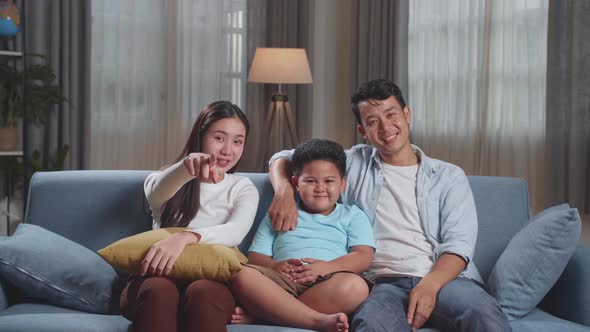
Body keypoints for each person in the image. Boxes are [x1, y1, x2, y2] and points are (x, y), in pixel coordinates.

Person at [267, 80, 511, 332]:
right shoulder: (353, 163)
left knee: (484, 316)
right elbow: (283, 157)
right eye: (372, 122)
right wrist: (284, 191)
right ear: (362, 130)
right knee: (372, 326)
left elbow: (459, 245)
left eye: (391, 114)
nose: (385, 128)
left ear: (407, 114)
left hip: (446, 280)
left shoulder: (448, 176)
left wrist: (430, 285)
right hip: (381, 284)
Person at [120, 101, 259, 332]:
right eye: (219, 138)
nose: (227, 150)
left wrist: (186, 237)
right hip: (154, 281)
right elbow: (158, 190)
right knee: (160, 291)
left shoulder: (243, 187)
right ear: (200, 136)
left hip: (212, 284)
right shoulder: (163, 179)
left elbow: (236, 230)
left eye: (237, 141)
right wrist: (186, 168)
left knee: (203, 292)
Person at [228, 139, 375, 332]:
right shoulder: (281, 212)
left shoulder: (352, 215)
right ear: (296, 183)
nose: (320, 188)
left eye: (329, 181)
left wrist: (327, 267)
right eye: (310, 181)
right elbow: (255, 257)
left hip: (327, 282)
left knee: (356, 287)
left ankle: (267, 316)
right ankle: (313, 320)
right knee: (240, 274)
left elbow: (363, 256)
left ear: (342, 184)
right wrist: (274, 266)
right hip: (280, 282)